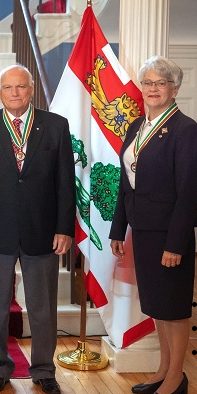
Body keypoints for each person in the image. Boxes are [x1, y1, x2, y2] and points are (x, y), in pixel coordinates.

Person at [0, 64, 75, 394]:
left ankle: (43, 369)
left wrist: (63, 227)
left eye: (21, 87)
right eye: (8, 88)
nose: (15, 93)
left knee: (42, 308)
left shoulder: (55, 126)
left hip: (43, 229)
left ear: (31, 90)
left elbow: (65, 183)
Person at [109, 56, 197, 394]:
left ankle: (176, 377)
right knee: (157, 306)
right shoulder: (136, 126)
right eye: (148, 83)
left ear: (175, 89)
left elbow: (189, 191)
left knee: (173, 308)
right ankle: (162, 370)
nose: (153, 89)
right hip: (142, 230)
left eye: (161, 83)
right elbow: (125, 182)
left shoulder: (186, 129)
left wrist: (176, 243)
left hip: (169, 235)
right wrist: (119, 229)